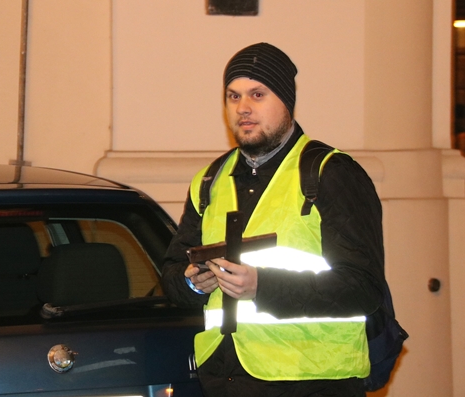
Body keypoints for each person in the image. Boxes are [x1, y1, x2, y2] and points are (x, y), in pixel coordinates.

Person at [161, 42, 385, 397]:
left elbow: (363, 287)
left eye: (257, 94)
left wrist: (261, 286)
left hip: (313, 383)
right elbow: (173, 274)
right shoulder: (209, 181)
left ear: (286, 101)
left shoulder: (330, 173)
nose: (243, 108)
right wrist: (193, 284)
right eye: (233, 96)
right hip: (226, 380)